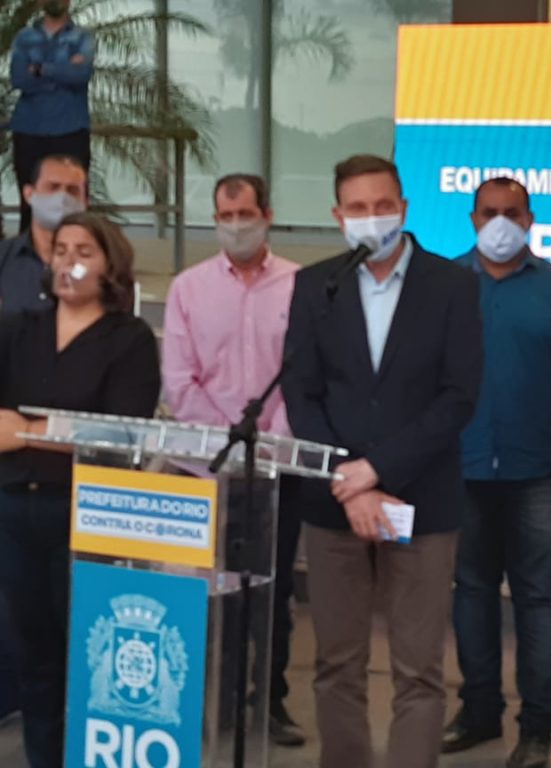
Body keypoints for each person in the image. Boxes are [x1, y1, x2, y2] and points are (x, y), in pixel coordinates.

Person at [281, 154, 483, 768]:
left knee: (418, 670)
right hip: (334, 503)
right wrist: (351, 481)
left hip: (422, 502)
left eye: (383, 205)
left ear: (404, 208)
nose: (372, 218)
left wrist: (377, 471)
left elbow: (459, 396)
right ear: (338, 215)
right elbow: (301, 394)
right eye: (358, 208)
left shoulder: (452, 285)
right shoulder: (316, 285)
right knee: (336, 663)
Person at [442, 178, 551, 768]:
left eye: (512, 212)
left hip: (538, 475)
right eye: (489, 213)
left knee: (538, 601)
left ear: (530, 219)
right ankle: (479, 712)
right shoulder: (446, 286)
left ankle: (538, 727)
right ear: (472, 219)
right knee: (471, 596)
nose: (501, 223)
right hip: (461, 472)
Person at [0, 212, 160, 768]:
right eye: (61, 250)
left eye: (84, 252)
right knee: (33, 654)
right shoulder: (17, 328)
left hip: (88, 511)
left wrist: (27, 431)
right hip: (15, 508)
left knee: (88, 653)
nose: (69, 262)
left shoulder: (129, 339)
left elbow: (121, 432)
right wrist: (56, 432)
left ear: (109, 265)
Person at [160, 173, 306, 746]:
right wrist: (228, 445)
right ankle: (209, 701)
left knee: (272, 593)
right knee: (207, 591)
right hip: (206, 469)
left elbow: (304, 376)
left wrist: (269, 446)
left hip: (277, 469)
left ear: (267, 214)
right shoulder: (188, 288)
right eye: (226, 216)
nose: (236, 226)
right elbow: (180, 382)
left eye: (245, 214)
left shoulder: (300, 286)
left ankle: (269, 701)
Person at [9, 1, 94, 233]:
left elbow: (81, 75)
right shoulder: (24, 37)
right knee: (29, 202)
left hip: (70, 129)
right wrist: (63, 68)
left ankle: (72, 248)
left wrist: (40, 69)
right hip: (29, 129)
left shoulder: (82, 37)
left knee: (73, 204)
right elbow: (19, 79)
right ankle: (28, 254)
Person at [0, 155, 87, 315]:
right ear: (29, 194)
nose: (62, 197)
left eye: (72, 190)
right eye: (53, 187)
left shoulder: (101, 263)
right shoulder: (3, 257)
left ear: (85, 202)